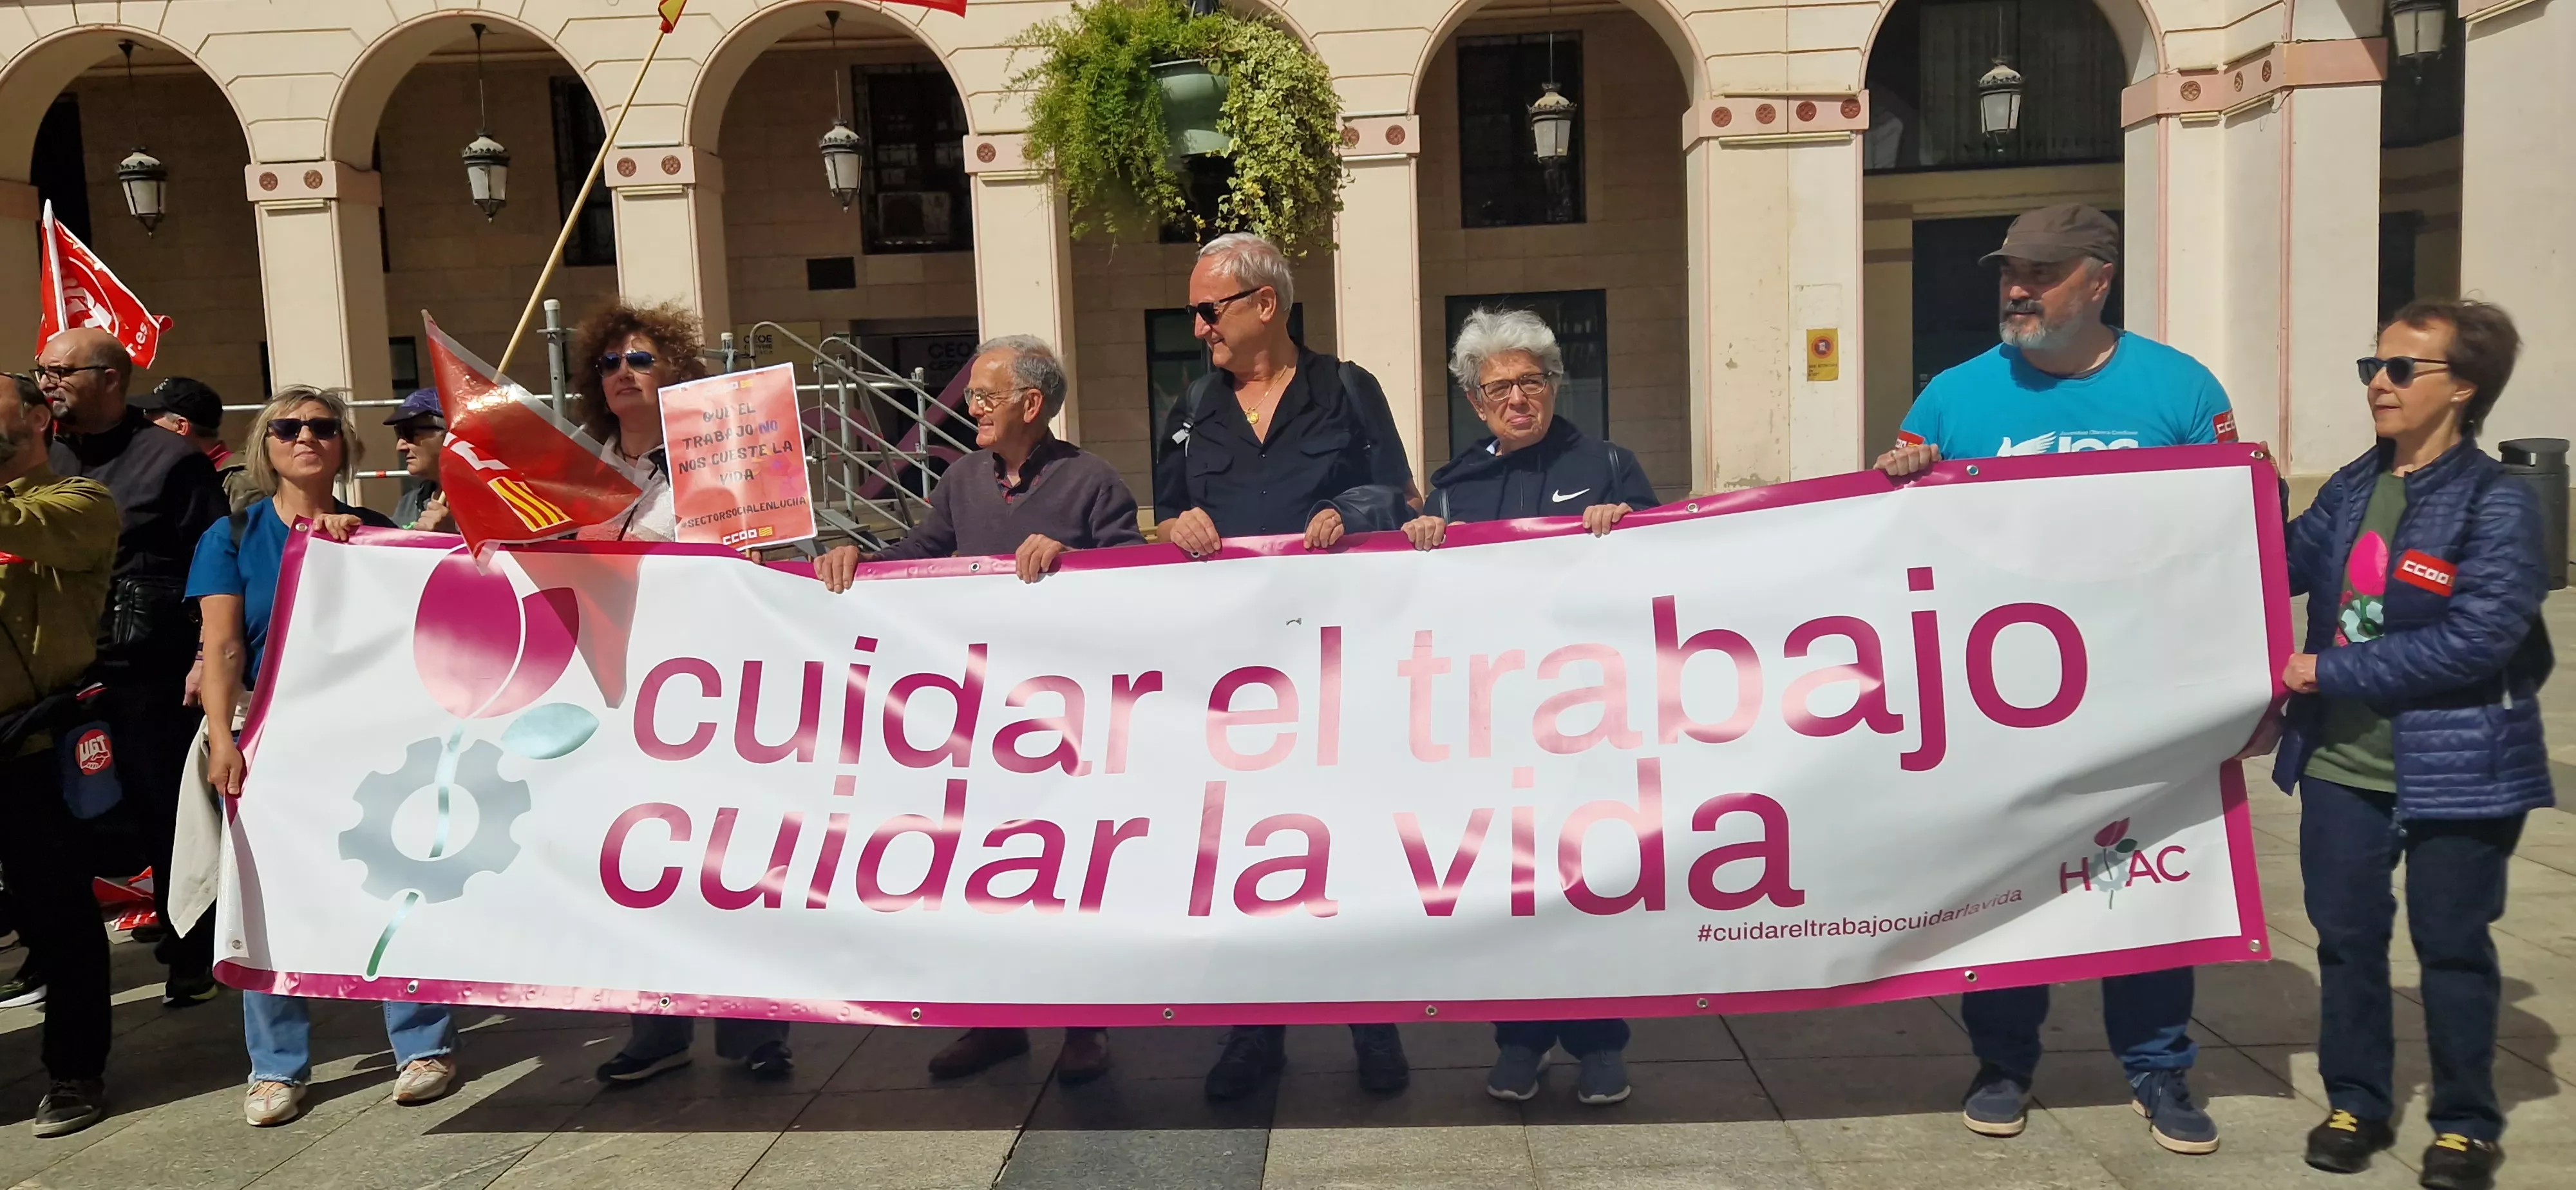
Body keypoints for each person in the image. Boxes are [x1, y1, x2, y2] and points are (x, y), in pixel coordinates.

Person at [1877, 204, 2233, 1156]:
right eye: (2009, 272)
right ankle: (2003, 1062)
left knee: (2149, 881)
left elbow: (2235, 539)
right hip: (2001, 708)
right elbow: (1889, 548)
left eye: (2041, 270)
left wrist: (2252, 679)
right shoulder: (1951, 398)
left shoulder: (2181, 389)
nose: (2018, 289)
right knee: (2005, 891)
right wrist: (1898, 480)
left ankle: (2158, 1066)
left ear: (2099, 279)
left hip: (2144, 701)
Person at [1333, 308, 1658, 1106]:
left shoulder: (1609, 464)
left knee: (1587, 885)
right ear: (1476, 402)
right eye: (1499, 388)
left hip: (1589, 720)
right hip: (1494, 721)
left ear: (1554, 385)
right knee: (1510, 890)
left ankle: (1599, 1044)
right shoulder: (1455, 485)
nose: (1518, 398)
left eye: (1531, 382)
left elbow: (1665, 567)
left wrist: (1632, 529)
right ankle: (1518, 1038)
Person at [815, 335, 1142, 1086]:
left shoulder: (1092, 483)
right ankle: (995, 1022)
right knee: (982, 871)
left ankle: (1085, 1026)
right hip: (979, 719)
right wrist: (854, 559)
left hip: (1068, 721)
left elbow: (1135, 581)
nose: (971, 409)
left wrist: (1072, 556)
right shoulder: (962, 478)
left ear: (1033, 404)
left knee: (1065, 875)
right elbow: (921, 552)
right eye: (972, 398)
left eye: (985, 397)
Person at [2277, 301, 2550, 1190]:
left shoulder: (2499, 499)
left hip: (2460, 766)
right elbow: (2277, 560)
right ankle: (2356, 1102)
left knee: (2452, 945)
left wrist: (2328, 673)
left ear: (2464, 388)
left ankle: (2465, 1122)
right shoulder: (2358, 485)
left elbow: (2481, 638)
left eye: (2401, 369)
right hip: (2341, 767)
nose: (2379, 385)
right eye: (2373, 367)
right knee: (2346, 941)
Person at [1150, 232, 1417, 1102]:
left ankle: (1372, 1024)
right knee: (1248, 851)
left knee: (1348, 842)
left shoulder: (1347, 390)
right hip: (1234, 679)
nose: (1198, 329)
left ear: (1266, 305)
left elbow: (1399, 496)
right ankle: (1253, 1032)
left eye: (1208, 309)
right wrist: (1172, 526)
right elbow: (1165, 517)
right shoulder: (1189, 404)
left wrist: (1348, 506)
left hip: (1340, 667)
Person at [187, 386, 449, 1126]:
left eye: (323, 427)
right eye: (288, 427)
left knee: (398, 884)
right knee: (270, 901)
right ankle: (276, 1069)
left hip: (369, 741)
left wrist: (370, 548)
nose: (306, 437)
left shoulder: (371, 531)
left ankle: (423, 1045)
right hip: (272, 738)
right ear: (263, 446)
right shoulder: (231, 535)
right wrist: (222, 739)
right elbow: (223, 646)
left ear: (343, 446)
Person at [567, 301, 795, 1083]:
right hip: (612, 687)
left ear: (675, 375)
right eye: (609, 363)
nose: (623, 375)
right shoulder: (571, 470)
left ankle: (751, 1027)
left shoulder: (715, 458)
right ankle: (654, 1026)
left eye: (641, 360)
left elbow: (755, 562)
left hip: (707, 686)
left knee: (727, 854)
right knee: (635, 862)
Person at [36, 328, 228, 1008]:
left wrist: (208, 655)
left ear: (112, 378)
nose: (47, 382)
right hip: (55, 668)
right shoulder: (41, 456)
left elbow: (214, 564)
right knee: (57, 815)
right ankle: (45, 951)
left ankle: (194, 948)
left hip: (147, 671)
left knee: (166, 812)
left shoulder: (172, 460)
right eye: (41, 371)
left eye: (61, 370)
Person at [0, 371, 122, 1137]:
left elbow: (33, 531)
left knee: (58, 917)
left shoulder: (78, 502)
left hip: (32, 743)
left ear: (40, 417)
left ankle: (75, 1071)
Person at [136, 377, 260, 513]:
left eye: (150, 422)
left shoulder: (241, 483)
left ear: (180, 426)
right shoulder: (170, 475)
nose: (142, 430)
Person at [384, 388, 450, 531]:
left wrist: (451, 538)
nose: (400, 447)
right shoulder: (408, 504)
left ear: (450, 434)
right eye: (399, 433)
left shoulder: (494, 503)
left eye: (409, 432)